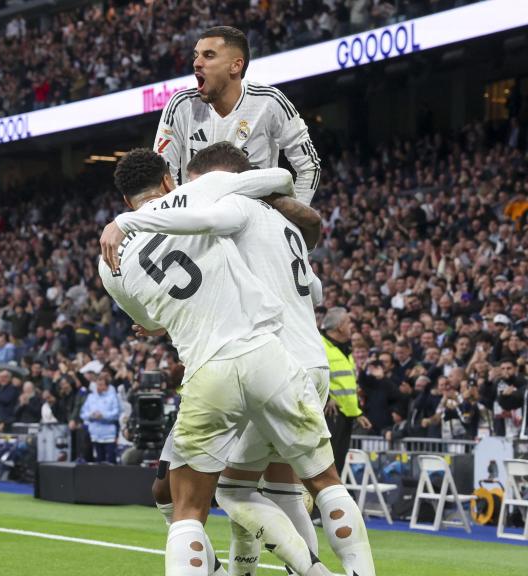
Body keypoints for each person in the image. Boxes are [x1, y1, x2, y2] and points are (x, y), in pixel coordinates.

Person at [99, 149, 374, 576]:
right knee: (322, 483)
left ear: (123, 201)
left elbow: (149, 318)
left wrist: (127, 225)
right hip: (272, 355)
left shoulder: (107, 260)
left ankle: (286, 570)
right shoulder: (204, 194)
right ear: (171, 181)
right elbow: (282, 178)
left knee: (188, 507)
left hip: (208, 368)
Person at [154, 26, 321, 204]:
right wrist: (180, 218)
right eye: (196, 55)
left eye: (209, 55)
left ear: (235, 65)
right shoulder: (181, 105)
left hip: (254, 222)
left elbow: (309, 166)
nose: (197, 63)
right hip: (200, 221)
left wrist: (292, 217)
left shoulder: (269, 102)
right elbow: (162, 173)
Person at [322, 307, 373, 472]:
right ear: (340, 327)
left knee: (337, 464)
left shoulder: (346, 349)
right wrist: (327, 398)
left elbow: (346, 387)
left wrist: (357, 413)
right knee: (326, 465)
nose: (352, 326)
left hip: (345, 415)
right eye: (349, 322)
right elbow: (310, 377)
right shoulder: (320, 346)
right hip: (330, 413)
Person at [79, 373, 120, 463]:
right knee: (99, 462)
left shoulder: (112, 397)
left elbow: (116, 414)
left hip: (109, 435)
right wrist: (91, 415)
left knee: (111, 462)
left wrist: (103, 415)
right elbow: (83, 413)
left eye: (101, 385)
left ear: (106, 386)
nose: (99, 387)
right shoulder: (91, 397)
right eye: (97, 384)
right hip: (95, 435)